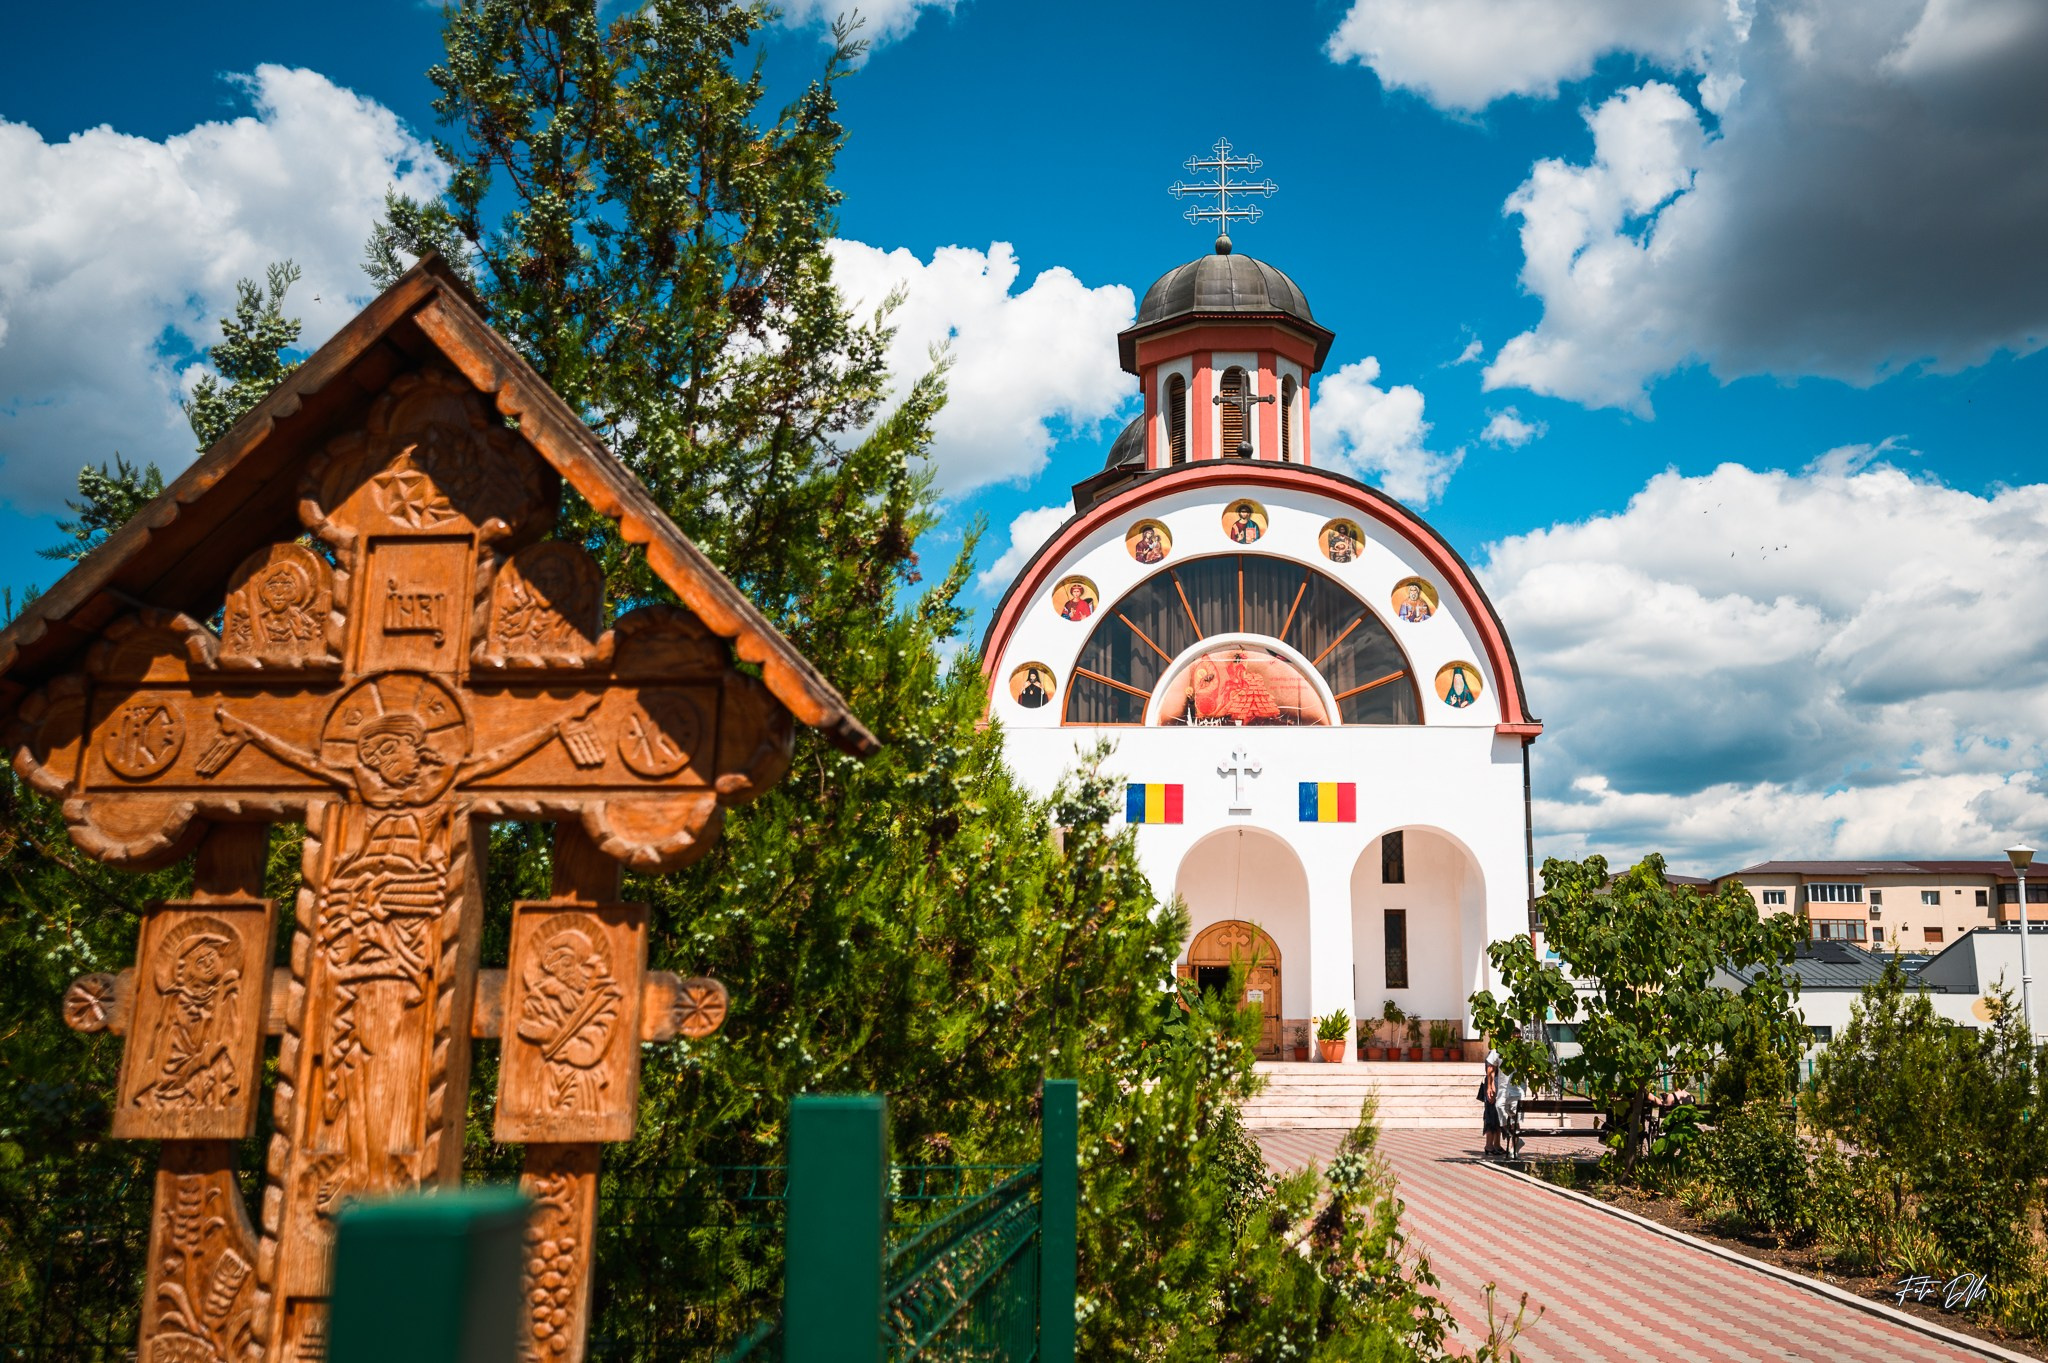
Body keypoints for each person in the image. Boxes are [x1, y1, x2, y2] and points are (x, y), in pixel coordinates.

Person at [1480, 1050, 1502, 1157]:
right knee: (1491, 1116)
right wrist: (1491, 1087)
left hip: (1499, 1087)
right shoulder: (1493, 1053)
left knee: (1497, 1118)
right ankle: (1489, 1145)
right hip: (1493, 1089)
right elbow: (1490, 1070)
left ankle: (1496, 1145)